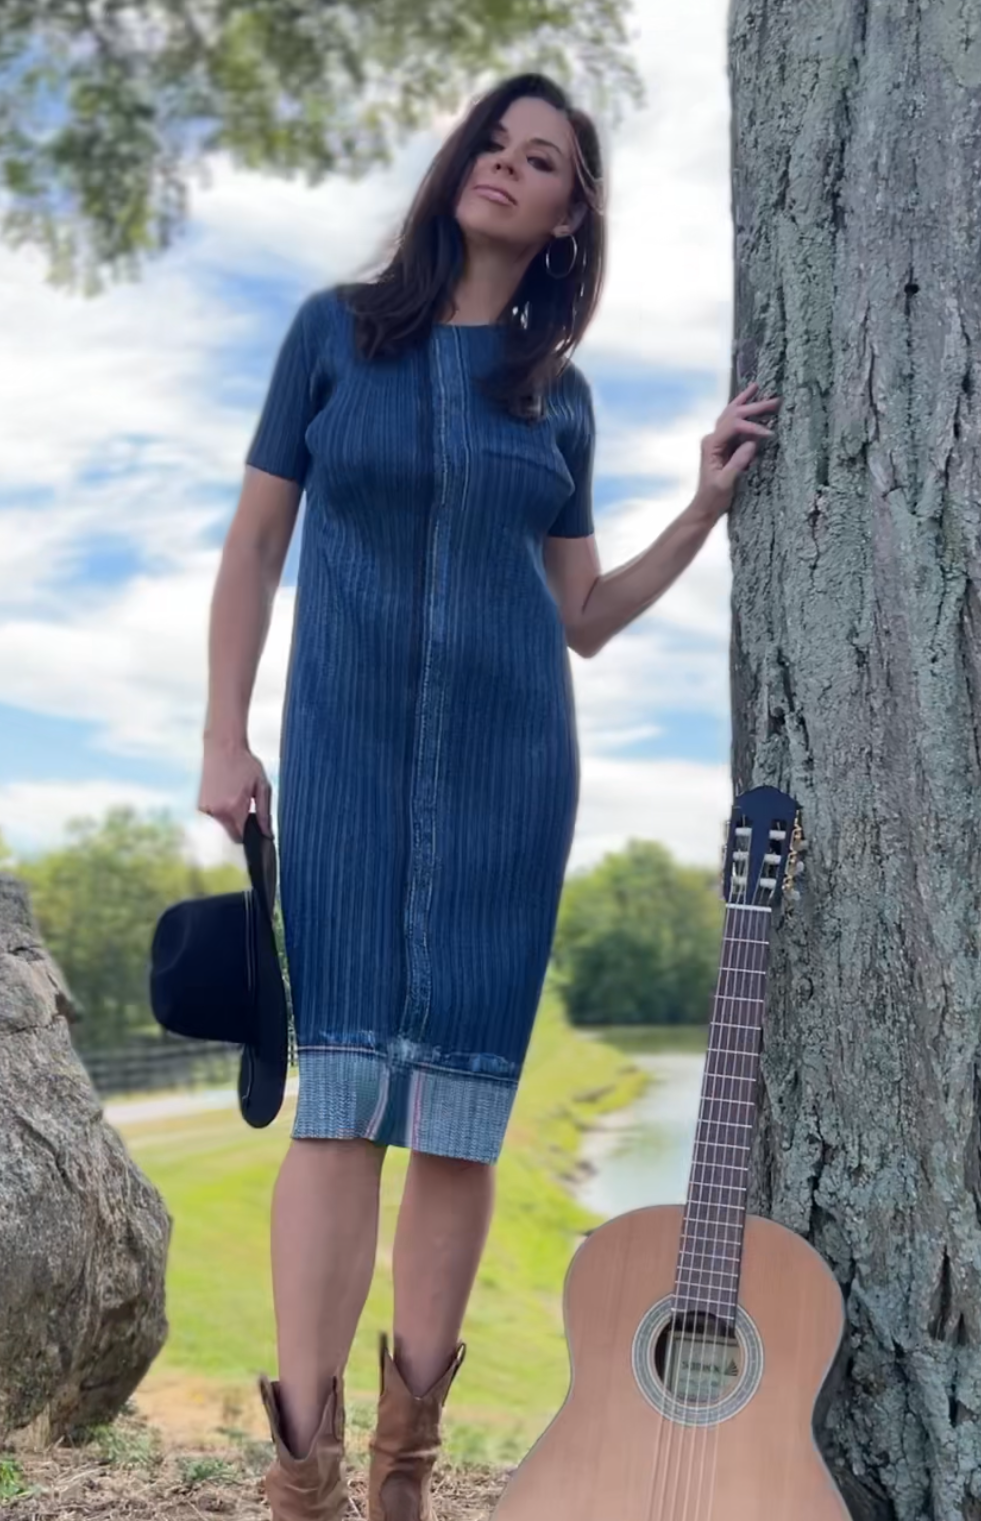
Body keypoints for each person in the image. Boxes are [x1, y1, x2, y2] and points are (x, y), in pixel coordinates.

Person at [196, 70, 778, 1521]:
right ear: (460, 163)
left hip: (517, 779)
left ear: (573, 214)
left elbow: (583, 614)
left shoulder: (554, 397)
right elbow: (257, 548)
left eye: (544, 164)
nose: (508, 171)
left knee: (455, 1124)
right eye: (495, 147)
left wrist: (702, 506)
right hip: (336, 767)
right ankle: (305, 1472)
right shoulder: (333, 334)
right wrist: (225, 734)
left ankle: (404, 1476)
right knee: (336, 1105)